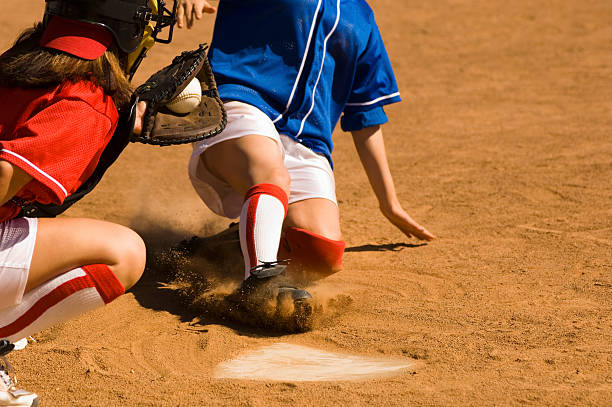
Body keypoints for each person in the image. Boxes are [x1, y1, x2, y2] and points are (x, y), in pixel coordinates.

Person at [182, 0, 435, 325]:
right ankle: (258, 280)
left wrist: (389, 202)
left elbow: (366, 115)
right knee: (272, 174)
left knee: (321, 253)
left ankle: (231, 246)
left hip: (306, 140)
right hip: (240, 103)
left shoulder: (361, 18)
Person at [0, 1, 178, 405]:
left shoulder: (21, 63)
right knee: (123, 253)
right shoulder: (84, 100)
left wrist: (116, 123)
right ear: (129, 29)